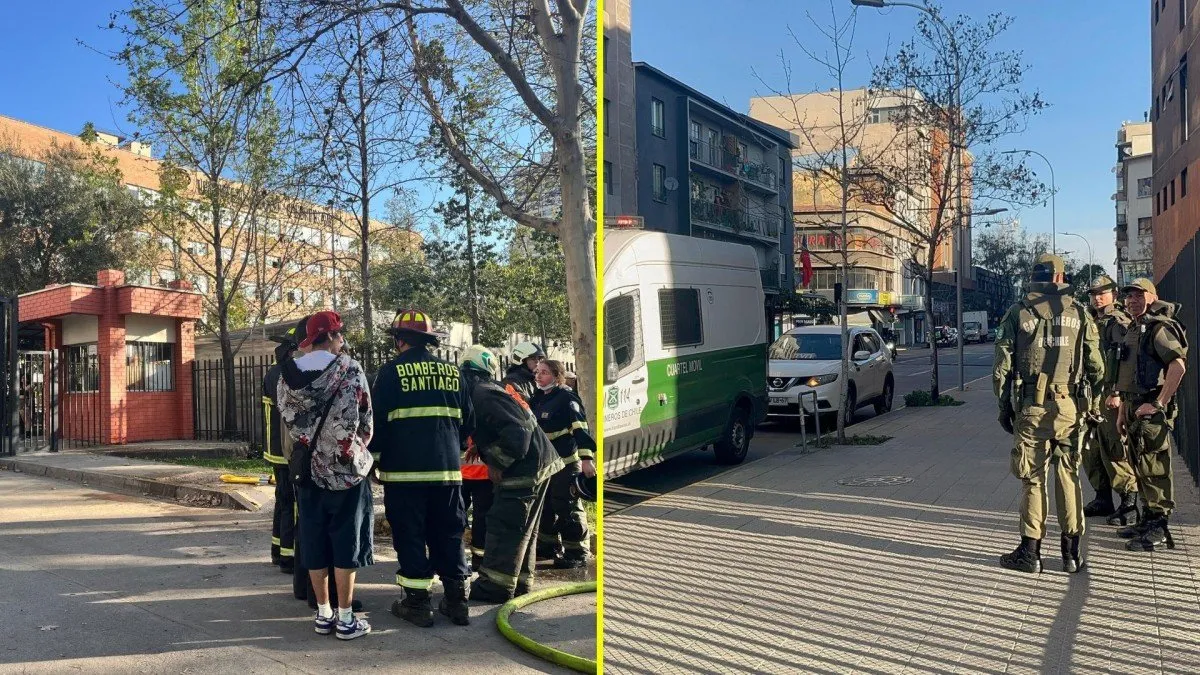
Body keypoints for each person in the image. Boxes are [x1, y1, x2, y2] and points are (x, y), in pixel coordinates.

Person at [994, 254, 1103, 574]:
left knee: (1033, 480)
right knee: (1069, 477)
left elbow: (1001, 368)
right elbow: (1097, 367)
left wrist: (1004, 408)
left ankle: (1031, 553)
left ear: (1035, 278)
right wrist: (1093, 405)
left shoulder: (1017, 313)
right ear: (1061, 278)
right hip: (1069, 408)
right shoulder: (1080, 313)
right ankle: (1071, 555)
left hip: (1032, 408)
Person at [369, 309, 473, 628]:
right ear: (428, 340)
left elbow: (377, 425)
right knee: (450, 534)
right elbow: (468, 421)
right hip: (446, 473)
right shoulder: (454, 373)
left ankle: (417, 604)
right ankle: (457, 603)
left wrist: (373, 460)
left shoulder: (389, 373)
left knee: (410, 535)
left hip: (404, 476)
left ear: (399, 340)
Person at [278, 310, 374, 640]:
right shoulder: (351, 370)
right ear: (331, 337)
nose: (343, 340)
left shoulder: (288, 377)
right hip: (346, 472)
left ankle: (323, 613)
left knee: (315, 539)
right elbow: (366, 422)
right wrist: (348, 444)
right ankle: (346, 619)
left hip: (307, 473)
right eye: (340, 335)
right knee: (346, 541)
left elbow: (289, 419)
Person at [459, 345, 564, 604]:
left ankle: (495, 587)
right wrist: (479, 446)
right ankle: (519, 583)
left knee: (505, 523)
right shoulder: (489, 391)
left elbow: (518, 435)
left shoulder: (482, 395)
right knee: (523, 527)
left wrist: (498, 462)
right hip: (538, 462)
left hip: (525, 466)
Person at [1112, 278, 1188, 552]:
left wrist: (1158, 403)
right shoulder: (1135, 328)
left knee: (1155, 469)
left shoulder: (1157, 329)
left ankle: (1159, 526)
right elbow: (1128, 374)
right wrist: (1122, 410)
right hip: (1133, 408)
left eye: (1138, 295)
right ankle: (1147, 519)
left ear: (1152, 297)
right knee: (1140, 466)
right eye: (1129, 296)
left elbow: (1178, 367)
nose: (1132, 300)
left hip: (1149, 413)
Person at [1080, 276, 1139, 524]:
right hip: (1090, 393)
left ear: (1113, 295)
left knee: (1115, 447)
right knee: (1091, 448)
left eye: (1102, 293)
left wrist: (1117, 393)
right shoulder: (1089, 319)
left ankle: (1129, 503)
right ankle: (1102, 497)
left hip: (1110, 393)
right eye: (1093, 293)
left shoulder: (1118, 322)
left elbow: (1126, 361)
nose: (1097, 298)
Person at [530, 359, 595, 569]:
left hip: (566, 463)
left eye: (545, 373)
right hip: (545, 465)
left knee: (567, 506)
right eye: (537, 372)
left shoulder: (567, 398)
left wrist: (586, 460)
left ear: (557, 376)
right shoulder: (537, 398)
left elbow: (580, 429)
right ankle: (547, 548)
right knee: (546, 507)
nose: (539, 376)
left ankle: (577, 552)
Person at [264, 325, 301, 573]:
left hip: (274, 450)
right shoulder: (290, 374)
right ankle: (289, 557)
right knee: (292, 504)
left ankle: (278, 551)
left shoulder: (272, 373)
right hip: (289, 451)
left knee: (282, 501)